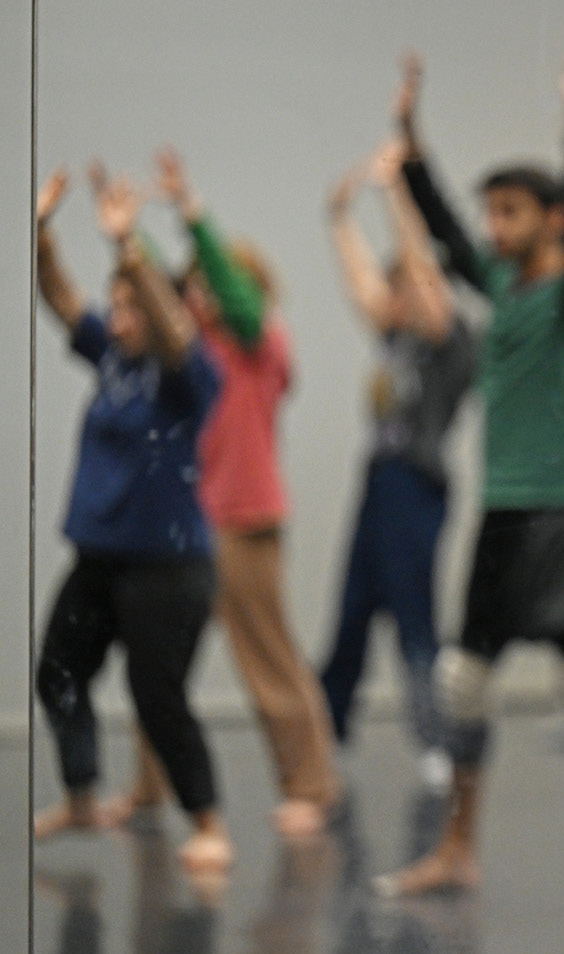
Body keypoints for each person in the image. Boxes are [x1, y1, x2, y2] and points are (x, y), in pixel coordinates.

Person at [378, 37, 564, 907]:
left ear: (553, 219)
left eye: (514, 213)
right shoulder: (501, 286)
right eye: (493, 214)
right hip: (504, 509)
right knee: (465, 680)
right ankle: (457, 849)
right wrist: (412, 139)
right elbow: (446, 233)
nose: (497, 229)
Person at [105, 147, 343, 839]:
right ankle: (151, 788)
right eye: (197, 286)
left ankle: (311, 785)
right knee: (158, 659)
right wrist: (128, 236)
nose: (203, 294)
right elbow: (154, 290)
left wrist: (191, 215)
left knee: (268, 659)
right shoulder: (189, 347)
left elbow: (233, 298)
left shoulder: (261, 341)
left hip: (244, 518)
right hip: (183, 522)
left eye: (216, 284)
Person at [32, 163, 233, 874]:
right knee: (57, 673)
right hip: (99, 558)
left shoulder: (191, 374)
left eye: (130, 305)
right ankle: (84, 796)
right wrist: (40, 232)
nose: (116, 316)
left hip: (168, 568)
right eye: (115, 305)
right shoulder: (114, 359)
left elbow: (175, 331)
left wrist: (129, 249)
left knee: (158, 699)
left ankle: (208, 822)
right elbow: (58, 298)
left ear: (159, 309)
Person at [321, 136, 476, 789]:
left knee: (414, 622)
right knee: (352, 612)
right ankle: (327, 734)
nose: (396, 294)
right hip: (377, 484)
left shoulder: (449, 342)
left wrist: (394, 192)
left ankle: (435, 745)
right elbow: (364, 282)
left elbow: (416, 264)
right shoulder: (395, 338)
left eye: (407, 287)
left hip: (418, 486)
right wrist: (338, 220)